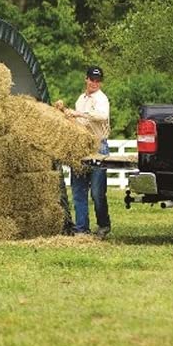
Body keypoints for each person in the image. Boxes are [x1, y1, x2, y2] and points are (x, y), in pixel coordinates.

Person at [63, 66, 111, 237]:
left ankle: (103, 225)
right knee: (78, 189)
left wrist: (79, 114)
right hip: (81, 147)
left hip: (99, 146)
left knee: (97, 191)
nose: (94, 83)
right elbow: (79, 123)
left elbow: (102, 116)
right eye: (92, 79)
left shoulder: (102, 99)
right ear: (86, 79)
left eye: (97, 80)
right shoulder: (80, 99)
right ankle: (82, 228)